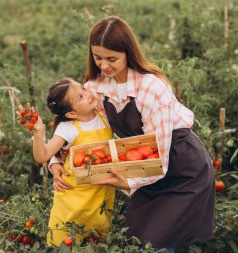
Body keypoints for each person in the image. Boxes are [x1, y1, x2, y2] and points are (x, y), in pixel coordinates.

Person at [50, 16, 215, 251]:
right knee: (137, 241)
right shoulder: (96, 87)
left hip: (181, 167)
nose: (104, 66)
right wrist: (56, 160)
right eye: (98, 57)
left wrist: (127, 182)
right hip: (142, 162)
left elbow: (161, 156)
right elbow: (77, 125)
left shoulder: (151, 88)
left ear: (128, 53)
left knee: (156, 243)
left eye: (112, 59)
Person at [22, 78, 115, 247]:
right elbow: (41, 156)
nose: (88, 94)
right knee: (65, 245)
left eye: (84, 89)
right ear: (71, 114)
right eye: (80, 97)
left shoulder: (104, 116)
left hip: (100, 197)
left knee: (96, 244)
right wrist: (39, 131)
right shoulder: (69, 128)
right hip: (73, 199)